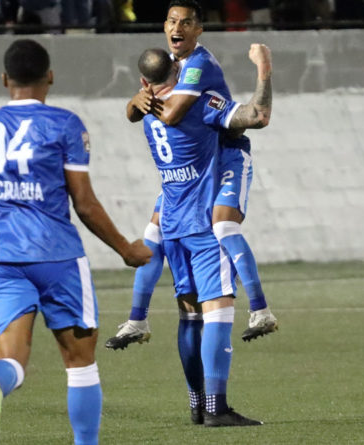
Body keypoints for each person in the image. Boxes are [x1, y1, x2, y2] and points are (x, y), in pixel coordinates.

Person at [0, 39, 152, 445]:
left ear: (4, 79)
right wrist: (126, 249)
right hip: (58, 257)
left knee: (12, 359)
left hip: (2, 260)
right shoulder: (65, 125)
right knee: (80, 363)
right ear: (50, 76)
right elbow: (83, 203)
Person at [106, 0, 277, 350]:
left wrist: (144, 98)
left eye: (185, 23)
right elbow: (133, 111)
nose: (176, 28)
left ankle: (260, 309)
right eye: (171, 21)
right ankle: (137, 319)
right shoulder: (171, 65)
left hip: (225, 156)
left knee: (223, 226)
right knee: (153, 233)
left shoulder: (198, 64)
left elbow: (172, 114)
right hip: (190, 170)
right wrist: (135, 101)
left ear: (199, 29)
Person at [130, 43, 272, 426]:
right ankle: (216, 407)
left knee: (188, 317)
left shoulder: (145, 117)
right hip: (201, 224)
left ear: (145, 83)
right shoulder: (198, 107)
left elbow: (136, 109)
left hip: (172, 226)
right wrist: (263, 69)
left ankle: (196, 403)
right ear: (177, 77)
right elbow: (256, 116)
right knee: (219, 312)